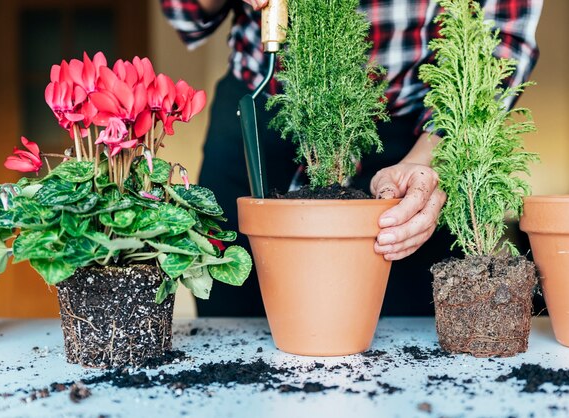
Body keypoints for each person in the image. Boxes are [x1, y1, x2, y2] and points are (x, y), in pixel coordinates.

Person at [160, 0, 542, 316]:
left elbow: (501, 39)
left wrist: (434, 151)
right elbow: (188, 13)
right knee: (237, 343)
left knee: (403, 343)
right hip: (262, 114)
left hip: (414, 138)